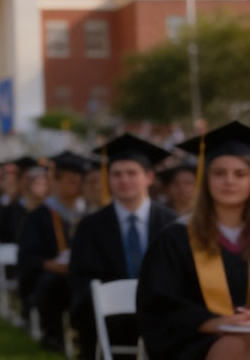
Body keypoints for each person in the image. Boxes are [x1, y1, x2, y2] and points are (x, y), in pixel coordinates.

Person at [137, 122, 250, 360]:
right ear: (205, 179)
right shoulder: (176, 237)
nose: (229, 181)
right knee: (235, 346)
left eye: (240, 174)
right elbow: (159, 305)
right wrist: (216, 322)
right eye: (219, 173)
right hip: (195, 339)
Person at [68, 133, 176, 359]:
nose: (124, 180)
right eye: (117, 174)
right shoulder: (90, 226)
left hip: (164, 317)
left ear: (149, 176)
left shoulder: (172, 224)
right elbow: (81, 277)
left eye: (132, 173)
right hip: (108, 320)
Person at [17, 150, 87, 352]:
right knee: (50, 285)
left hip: (81, 273)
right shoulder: (40, 214)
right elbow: (28, 255)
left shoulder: (89, 213)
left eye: (79, 181)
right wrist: (53, 265)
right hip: (55, 275)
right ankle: (53, 335)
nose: (76, 185)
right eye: (71, 181)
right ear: (55, 181)